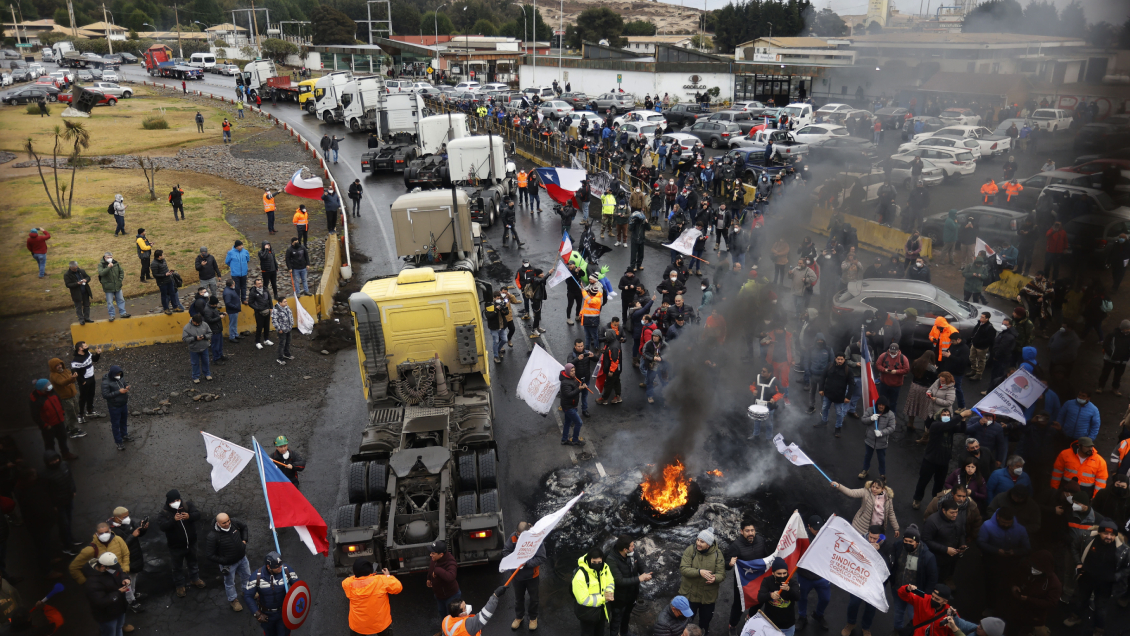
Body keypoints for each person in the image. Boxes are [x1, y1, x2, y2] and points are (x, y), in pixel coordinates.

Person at [1062, 519, 1129, 634]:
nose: (1109, 537)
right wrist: (1079, 562)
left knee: (1100, 609)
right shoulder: (1086, 539)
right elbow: (1074, 547)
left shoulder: (1123, 550)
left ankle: (1099, 629)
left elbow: (1127, 568)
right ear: (1099, 532)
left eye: (1112, 534)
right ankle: (1076, 617)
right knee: (1080, 600)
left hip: (1105, 585)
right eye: (1105, 533)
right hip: (1086, 579)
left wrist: (1116, 577)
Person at [157, 489, 204, 598]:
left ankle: (195, 579)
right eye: (173, 501)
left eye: (178, 499)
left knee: (193, 562)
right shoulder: (164, 513)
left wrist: (189, 516)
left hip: (191, 543)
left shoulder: (187, 506)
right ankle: (180, 585)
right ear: (169, 502)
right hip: (176, 547)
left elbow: (197, 515)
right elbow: (163, 527)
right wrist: (173, 520)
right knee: (177, 567)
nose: (176, 502)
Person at [503, 522, 548, 631]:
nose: (519, 537)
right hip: (517, 576)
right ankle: (519, 617)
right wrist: (515, 559)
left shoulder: (536, 540)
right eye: (518, 534)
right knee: (519, 599)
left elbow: (541, 558)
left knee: (534, 599)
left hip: (532, 576)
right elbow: (506, 551)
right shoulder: (513, 537)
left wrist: (526, 563)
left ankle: (533, 618)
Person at [678, 527, 725, 630]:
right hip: (690, 594)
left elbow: (721, 574)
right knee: (685, 620)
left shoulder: (718, 554)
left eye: (702, 542)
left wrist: (715, 578)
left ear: (708, 544)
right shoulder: (691, 550)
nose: (698, 543)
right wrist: (699, 572)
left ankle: (702, 631)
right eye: (698, 540)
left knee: (705, 620)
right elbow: (684, 569)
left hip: (707, 597)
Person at [203, 513, 251, 612]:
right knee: (229, 583)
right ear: (218, 523)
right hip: (228, 565)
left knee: (247, 575)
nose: (228, 523)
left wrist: (244, 540)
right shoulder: (213, 536)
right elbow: (210, 555)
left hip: (242, 558)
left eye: (228, 520)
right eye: (224, 523)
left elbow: (244, 527)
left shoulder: (234, 523)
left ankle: (246, 591)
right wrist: (225, 561)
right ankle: (233, 600)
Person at [244, 551, 299, 635]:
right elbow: (248, 596)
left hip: (283, 614)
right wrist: (257, 614)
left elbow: (298, 588)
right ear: (268, 566)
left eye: (281, 564)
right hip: (267, 616)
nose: (281, 567)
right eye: (277, 566)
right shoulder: (256, 577)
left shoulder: (287, 571)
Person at [343, 559, 402, 636]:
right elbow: (398, 588)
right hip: (381, 624)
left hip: (358, 626)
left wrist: (366, 574)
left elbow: (352, 578)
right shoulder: (382, 580)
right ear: (371, 571)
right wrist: (387, 576)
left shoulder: (347, 583)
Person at [108, 506, 147, 614]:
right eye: (124, 516)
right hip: (125, 562)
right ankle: (131, 602)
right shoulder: (112, 532)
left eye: (127, 515)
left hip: (134, 558)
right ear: (117, 518)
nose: (127, 518)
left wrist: (143, 527)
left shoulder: (126, 522)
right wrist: (132, 536)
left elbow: (137, 527)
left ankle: (133, 594)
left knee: (133, 577)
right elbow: (120, 547)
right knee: (127, 582)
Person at [83, 552, 131, 636]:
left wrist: (125, 578)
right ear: (102, 567)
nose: (114, 569)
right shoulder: (92, 583)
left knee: (119, 627)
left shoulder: (110, 568)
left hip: (119, 608)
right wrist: (118, 592)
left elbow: (120, 572)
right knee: (110, 633)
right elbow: (100, 602)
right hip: (107, 615)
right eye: (112, 568)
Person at [572, 547, 614, 636]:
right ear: (588, 560)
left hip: (602, 611)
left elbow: (610, 581)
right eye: (594, 563)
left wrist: (609, 591)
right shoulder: (580, 576)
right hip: (588, 614)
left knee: (600, 632)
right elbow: (583, 599)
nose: (597, 565)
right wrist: (603, 598)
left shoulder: (605, 567)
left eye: (599, 562)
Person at [759, 557, 800, 636]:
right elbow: (760, 597)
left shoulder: (792, 582)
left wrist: (789, 589)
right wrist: (770, 595)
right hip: (770, 624)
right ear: (773, 573)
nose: (782, 576)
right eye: (779, 573)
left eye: (784, 573)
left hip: (788, 625)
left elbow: (797, 597)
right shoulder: (767, 581)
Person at [860, 397, 897, 481]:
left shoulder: (890, 415)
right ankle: (865, 470)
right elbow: (863, 420)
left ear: (886, 406)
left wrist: (881, 432)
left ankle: (882, 474)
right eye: (879, 404)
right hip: (870, 440)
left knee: (881, 459)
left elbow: (892, 428)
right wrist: (871, 418)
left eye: (883, 405)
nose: (880, 406)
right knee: (867, 456)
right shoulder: (870, 410)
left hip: (882, 442)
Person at [819, 353, 854, 437]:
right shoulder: (829, 366)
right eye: (838, 359)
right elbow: (823, 377)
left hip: (840, 396)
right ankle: (824, 422)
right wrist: (821, 389)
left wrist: (848, 396)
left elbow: (851, 384)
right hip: (828, 393)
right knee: (824, 408)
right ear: (835, 359)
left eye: (842, 359)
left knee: (839, 413)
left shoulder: (848, 370)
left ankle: (838, 428)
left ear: (844, 359)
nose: (840, 361)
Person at [427, 540, 461, 622]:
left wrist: (438, 570)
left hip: (451, 596)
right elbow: (432, 567)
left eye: (433, 553)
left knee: (452, 618)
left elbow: (451, 577)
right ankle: (444, 631)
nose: (430, 555)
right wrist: (429, 578)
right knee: (442, 614)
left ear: (441, 554)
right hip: (440, 596)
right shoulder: (435, 558)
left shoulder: (451, 562)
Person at [100, 364, 129, 452]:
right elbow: (105, 395)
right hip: (114, 407)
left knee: (123, 421)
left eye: (120, 374)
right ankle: (118, 441)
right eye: (117, 374)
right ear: (112, 374)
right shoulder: (105, 382)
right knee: (115, 424)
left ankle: (124, 435)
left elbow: (124, 384)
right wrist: (119, 392)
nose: (118, 376)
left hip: (123, 404)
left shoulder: (121, 378)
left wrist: (126, 387)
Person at [72, 341, 104, 421]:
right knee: (83, 397)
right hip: (84, 381)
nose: (87, 347)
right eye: (85, 346)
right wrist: (82, 381)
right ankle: (80, 415)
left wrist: (98, 354)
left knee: (91, 394)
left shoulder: (88, 353)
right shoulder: (76, 360)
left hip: (91, 378)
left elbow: (95, 360)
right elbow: (75, 372)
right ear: (80, 348)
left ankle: (89, 410)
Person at [98, 252, 128, 321]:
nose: (109, 258)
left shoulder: (116, 263)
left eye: (110, 257)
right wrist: (108, 267)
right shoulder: (101, 265)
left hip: (117, 285)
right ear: (104, 258)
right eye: (108, 257)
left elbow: (121, 272)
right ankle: (112, 315)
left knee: (121, 300)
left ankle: (123, 313)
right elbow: (101, 273)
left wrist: (119, 280)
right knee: (110, 302)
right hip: (108, 287)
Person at [272, 299, 294, 365]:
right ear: (280, 302)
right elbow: (274, 320)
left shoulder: (287, 307)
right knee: (282, 344)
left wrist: (291, 325)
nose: (286, 303)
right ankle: (280, 358)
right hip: (282, 330)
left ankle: (286, 354)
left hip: (288, 328)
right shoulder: (276, 310)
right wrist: (279, 329)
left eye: (286, 301)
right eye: (284, 302)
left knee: (288, 342)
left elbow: (290, 316)